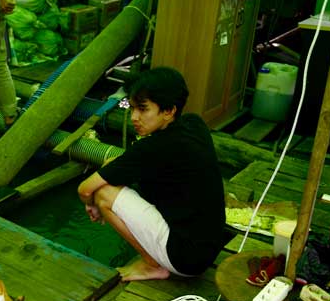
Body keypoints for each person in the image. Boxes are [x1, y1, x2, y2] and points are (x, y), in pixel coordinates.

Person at [77, 67, 225, 281]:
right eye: (132, 107)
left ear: (168, 111)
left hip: (184, 258)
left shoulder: (153, 147)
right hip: (206, 248)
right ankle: (155, 259)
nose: (134, 117)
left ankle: (152, 264)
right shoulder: (194, 125)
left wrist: (92, 204)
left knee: (104, 194)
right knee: (111, 165)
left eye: (143, 109)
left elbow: (84, 189)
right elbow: (118, 164)